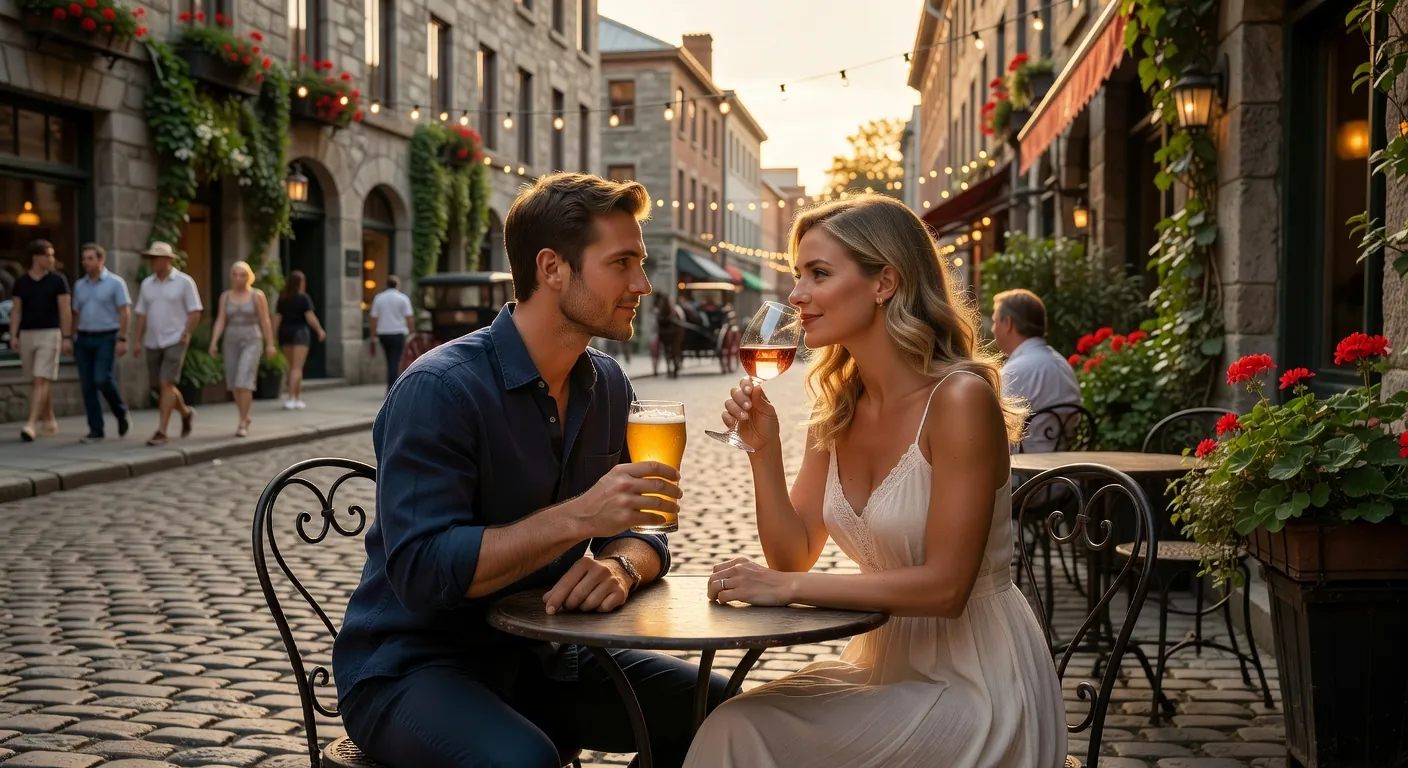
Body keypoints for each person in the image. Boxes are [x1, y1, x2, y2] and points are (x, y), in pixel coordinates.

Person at [333, 172, 726, 768]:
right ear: (551, 269)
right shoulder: (441, 389)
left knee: (723, 710)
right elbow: (421, 572)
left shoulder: (608, 384)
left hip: (546, 653)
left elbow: (642, 529)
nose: (642, 284)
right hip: (414, 665)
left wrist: (621, 565)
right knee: (526, 762)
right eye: (621, 263)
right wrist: (578, 519)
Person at [684, 195, 1067, 768]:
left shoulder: (959, 400)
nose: (795, 295)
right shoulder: (839, 406)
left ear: (884, 281)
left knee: (743, 729)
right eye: (797, 276)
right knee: (733, 723)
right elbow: (792, 555)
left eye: (818, 274)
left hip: (978, 685)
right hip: (883, 666)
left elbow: (945, 589)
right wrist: (764, 453)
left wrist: (784, 589)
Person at [991, 288, 1082, 453]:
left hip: (1025, 473)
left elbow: (996, 433)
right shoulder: (1063, 365)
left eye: (995, 321)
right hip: (1067, 471)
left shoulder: (1014, 371)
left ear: (1008, 324)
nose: (993, 329)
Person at [133, 241, 202, 447]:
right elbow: (142, 315)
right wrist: (136, 340)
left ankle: (161, 431)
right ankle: (186, 412)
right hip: (153, 340)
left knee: (166, 383)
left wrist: (186, 333)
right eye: (150, 258)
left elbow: (195, 311)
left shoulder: (184, 282)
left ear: (167, 260)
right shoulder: (147, 284)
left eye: (155, 258)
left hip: (175, 338)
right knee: (163, 385)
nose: (152, 262)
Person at [10, 239, 71, 442]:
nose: (52, 259)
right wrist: (13, 334)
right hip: (27, 333)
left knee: (40, 379)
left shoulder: (58, 280)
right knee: (38, 379)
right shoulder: (21, 282)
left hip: (50, 333)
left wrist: (66, 336)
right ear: (36, 257)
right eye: (48, 255)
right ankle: (49, 419)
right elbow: (16, 310)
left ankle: (30, 424)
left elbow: (65, 310)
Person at [71, 243, 132, 443]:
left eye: (90, 258)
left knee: (101, 378)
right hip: (84, 337)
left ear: (100, 260)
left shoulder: (115, 283)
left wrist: (122, 338)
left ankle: (120, 411)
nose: (85, 262)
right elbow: (76, 313)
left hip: (106, 336)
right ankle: (96, 429)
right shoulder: (80, 285)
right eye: (83, 259)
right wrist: (72, 337)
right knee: (87, 385)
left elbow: (124, 312)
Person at [209, 261, 276, 438]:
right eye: (236, 274)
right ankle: (244, 415)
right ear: (231, 276)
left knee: (244, 379)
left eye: (243, 274)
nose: (239, 278)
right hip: (231, 339)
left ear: (249, 276)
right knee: (233, 381)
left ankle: (242, 421)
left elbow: (265, 320)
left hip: (251, 338)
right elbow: (221, 320)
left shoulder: (257, 295)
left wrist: (270, 343)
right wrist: (214, 341)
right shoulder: (225, 296)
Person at [273, 269, 325, 410]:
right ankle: (292, 397)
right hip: (299, 333)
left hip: (285, 333)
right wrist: (319, 330)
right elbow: (310, 317)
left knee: (292, 368)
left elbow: (277, 318)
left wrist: (273, 336)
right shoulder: (303, 298)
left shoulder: (283, 298)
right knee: (298, 367)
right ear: (301, 283)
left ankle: (295, 397)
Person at [367, 275, 413, 392]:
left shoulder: (379, 298)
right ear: (397, 285)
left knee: (389, 359)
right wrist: (412, 331)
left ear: (386, 285)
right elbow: (409, 317)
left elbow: (374, 319)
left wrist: (373, 335)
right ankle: (392, 387)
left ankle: (390, 385)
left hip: (384, 333)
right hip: (398, 332)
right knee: (395, 360)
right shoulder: (403, 298)